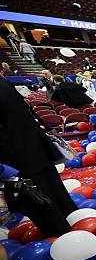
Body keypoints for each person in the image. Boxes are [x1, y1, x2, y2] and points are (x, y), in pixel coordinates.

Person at [0, 80, 73, 236]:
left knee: (38, 200)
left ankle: (60, 234)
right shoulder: (4, 83)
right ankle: (69, 225)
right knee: (52, 193)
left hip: (15, 159)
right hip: (32, 149)